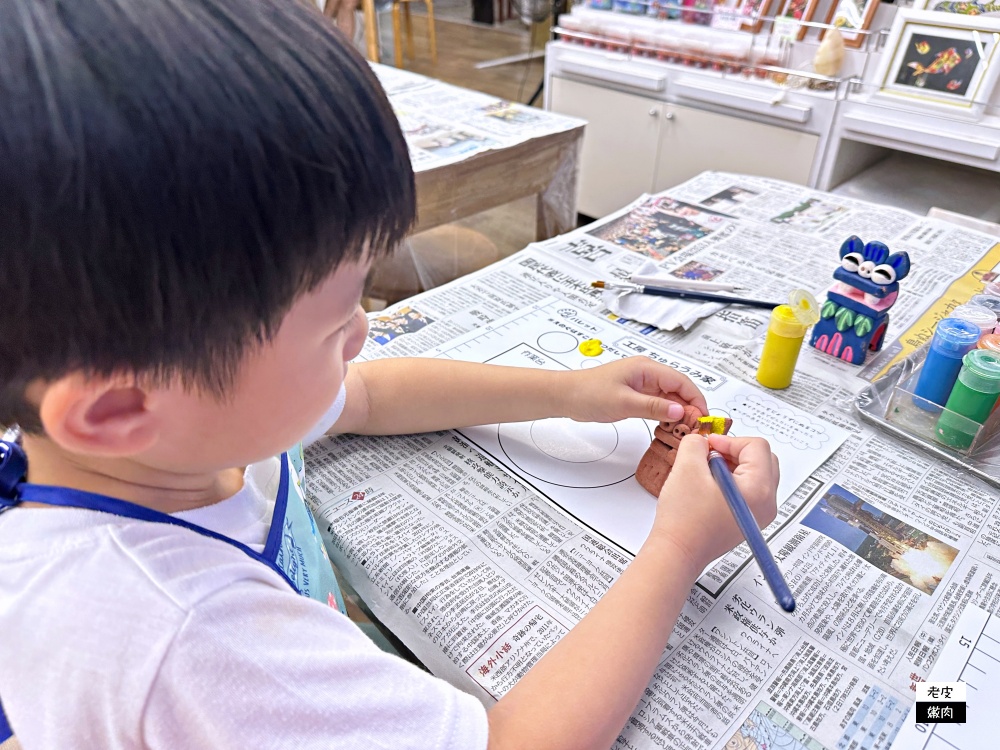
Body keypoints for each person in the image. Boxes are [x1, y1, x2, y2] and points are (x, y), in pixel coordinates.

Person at [0, 1, 780, 748]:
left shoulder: (171, 431)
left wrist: (571, 392)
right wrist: (678, 546)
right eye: (338, 317)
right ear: (116, 409)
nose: (364, 330)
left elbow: (368, 394)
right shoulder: (187, 640)